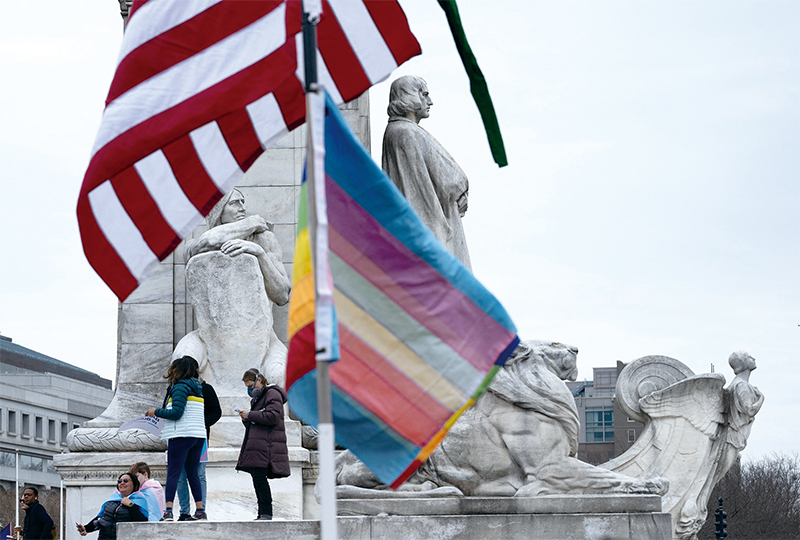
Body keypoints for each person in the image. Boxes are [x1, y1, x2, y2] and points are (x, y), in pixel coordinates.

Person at [382, 75, 472, 270]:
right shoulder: (406, 133)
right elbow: (444, 183)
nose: (430, 101)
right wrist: (460, 188)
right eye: (424, 95)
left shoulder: (403, 131)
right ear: (409, 96)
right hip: (431, 236)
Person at [145, 356, 206, 521]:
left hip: (181, 435)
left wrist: (155, 411)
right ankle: (200, 511)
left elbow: (176, 413)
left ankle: (168, 511)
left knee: (173, 473)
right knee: (193, 473)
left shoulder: (180, 387)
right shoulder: (198, 388)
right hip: (198, 436)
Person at [236, 368, 290, 520]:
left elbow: (273, 417)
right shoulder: (257, 398)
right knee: (257, 479)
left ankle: (266, 512)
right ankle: (262, 513)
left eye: (251, 385)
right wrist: (246, 419)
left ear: (259, 380)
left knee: (260, 479)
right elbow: (257, 422)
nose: (249, 389)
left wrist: (251, 414)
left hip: (268, 446)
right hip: (259, 446)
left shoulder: (273, 394)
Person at [175, 377, 221, 521]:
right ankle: (184, 512)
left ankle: (201, 511)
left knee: (199, 474)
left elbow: (216, 411)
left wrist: (201, 422)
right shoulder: (175, 387)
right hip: (179, 437)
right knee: (180, 476)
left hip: (199, 437)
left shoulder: (206, 389)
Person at [76, 473, 148, 539]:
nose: (122, 483)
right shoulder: (113, 498)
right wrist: (86, 528)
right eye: (120, 481)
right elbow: (102, 518)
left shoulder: (139, 500)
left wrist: (131, 505)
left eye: (126, 480)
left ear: (134, 484)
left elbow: (142, 522)